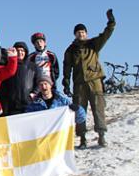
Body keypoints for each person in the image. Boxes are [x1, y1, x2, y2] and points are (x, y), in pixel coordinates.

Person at [63, 9, 116, 147]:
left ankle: (101, 135)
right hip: (79, 83)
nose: (81, 34)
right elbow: (67, 66)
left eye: (83, 32)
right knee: (80, 111)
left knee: (98, 108)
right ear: (75, 34)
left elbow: (106, 35)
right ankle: (82, 138)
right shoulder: (70, 50)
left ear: (86, 33)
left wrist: (111, 22)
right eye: (78, 32)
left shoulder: (93, 44)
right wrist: (66, 81)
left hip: (94, 81)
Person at [25, 76, 87, 148]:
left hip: (59, 141)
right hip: (42, 142)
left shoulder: (62, 101)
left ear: (51, 85)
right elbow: (28, 123)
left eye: (45, 84)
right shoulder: (34, 105)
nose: (43, 87)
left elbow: (80, 119)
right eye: (41, 85)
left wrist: (77, 109)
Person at [7, 42, 38, 115]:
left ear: (26, 52)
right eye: (17, 51)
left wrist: (34, 93)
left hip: (28, 103)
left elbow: (38, 82)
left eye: (22, 50)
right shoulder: (9, 66)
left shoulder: (32, 66)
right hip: (13, 105)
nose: (20, 52)